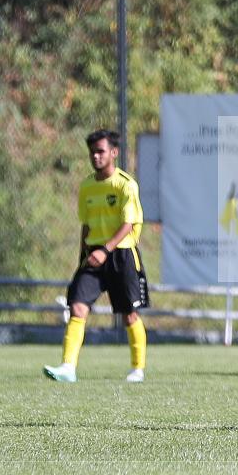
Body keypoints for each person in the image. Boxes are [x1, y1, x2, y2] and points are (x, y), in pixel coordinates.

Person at [43, 129, 149, 383]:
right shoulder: (88, 186)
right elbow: (87, 225)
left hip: (121, 255)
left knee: (129, 314)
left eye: (100, 151)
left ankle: (138, 368)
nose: (95, 156)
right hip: (93, 256)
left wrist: (105, 250)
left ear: (114, 152)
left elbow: (128, 224)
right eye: (92, 152)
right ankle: (68, 367)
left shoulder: (126, 185)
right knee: (77, 306)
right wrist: (83, 256)